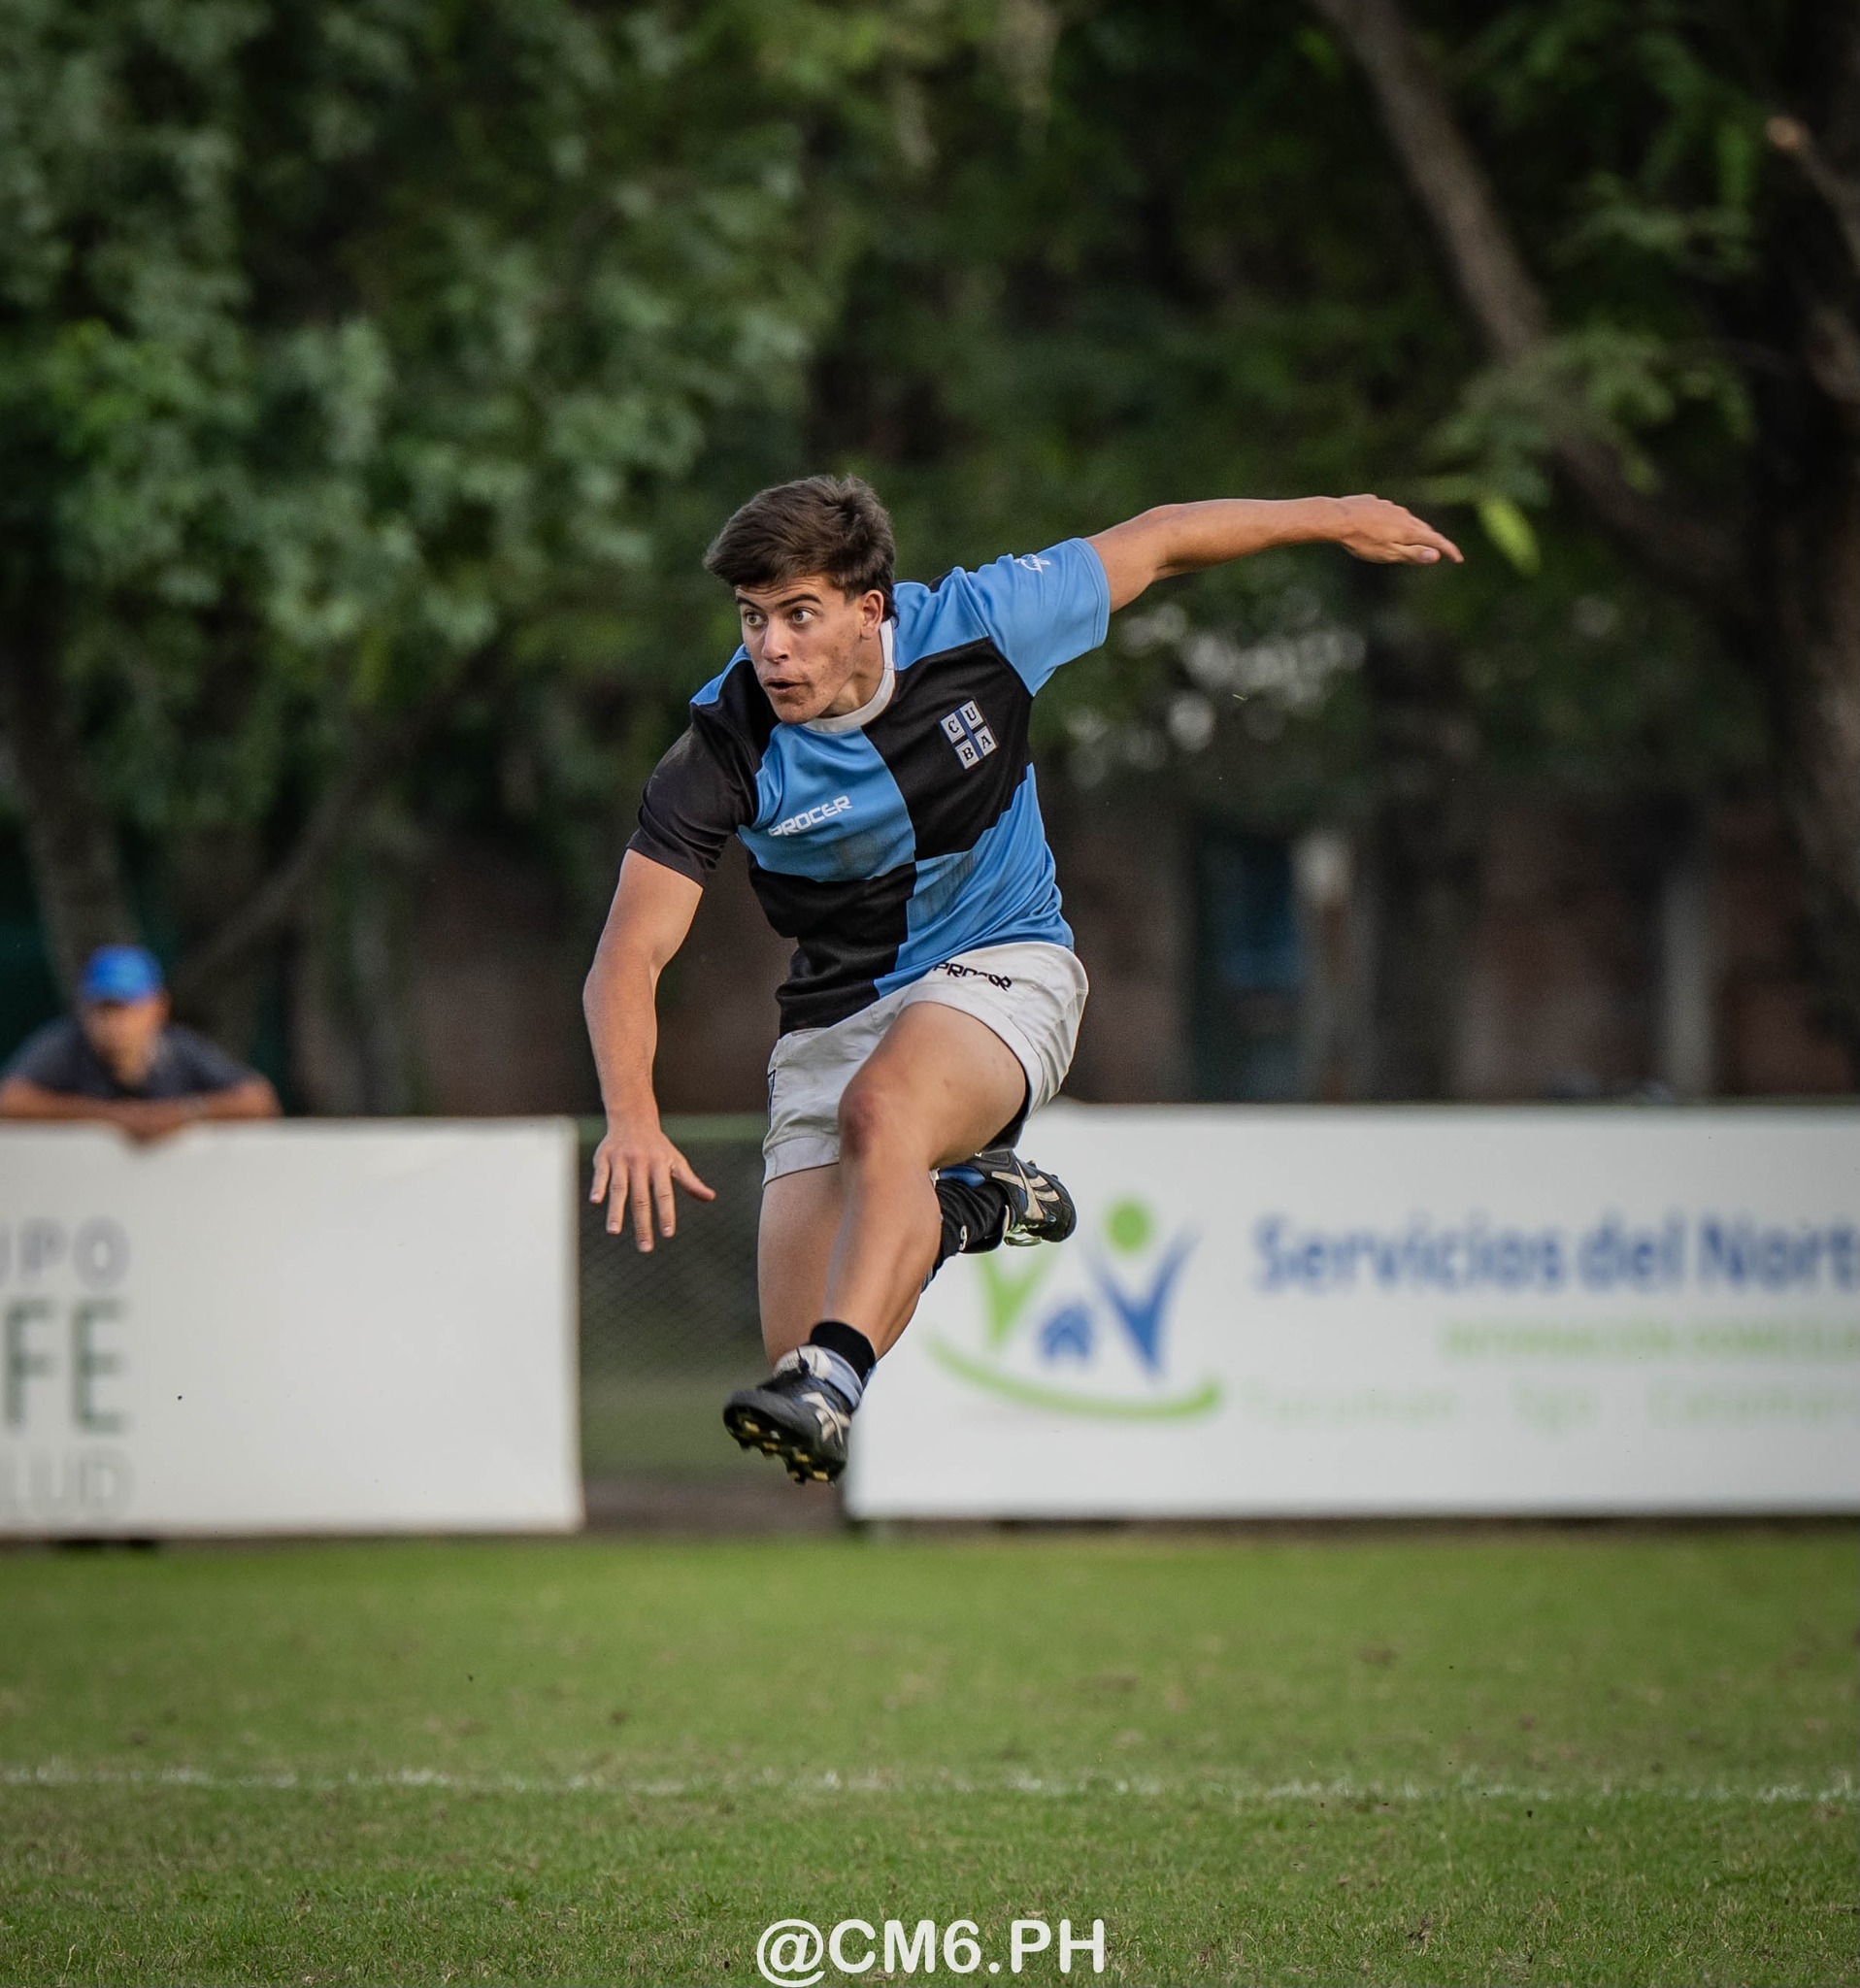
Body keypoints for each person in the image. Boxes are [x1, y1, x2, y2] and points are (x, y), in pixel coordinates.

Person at [583, 477, 1461, 1483]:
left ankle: (852, 1349)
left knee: (881, 1134)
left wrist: (1336, 514)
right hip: (832, 1013)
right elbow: (627, 954)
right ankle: (972, 1208)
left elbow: (1162, 533)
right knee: (796, 1345)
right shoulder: (722, 746)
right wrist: (631, 1115)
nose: (769, 647)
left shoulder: (983, 623)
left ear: (870, 608)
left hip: (1003, 962)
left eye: (797, 615)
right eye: (751, 619)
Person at [0, 944, 281, 1140]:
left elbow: (258, 1100)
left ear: (157, 1008)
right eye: (103, 1009)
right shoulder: (67, 1045)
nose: (113, 1022)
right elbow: (10, 1102)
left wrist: (183, 1114)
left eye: (126, 1008)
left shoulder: (178, 1049)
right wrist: (111, 1117)